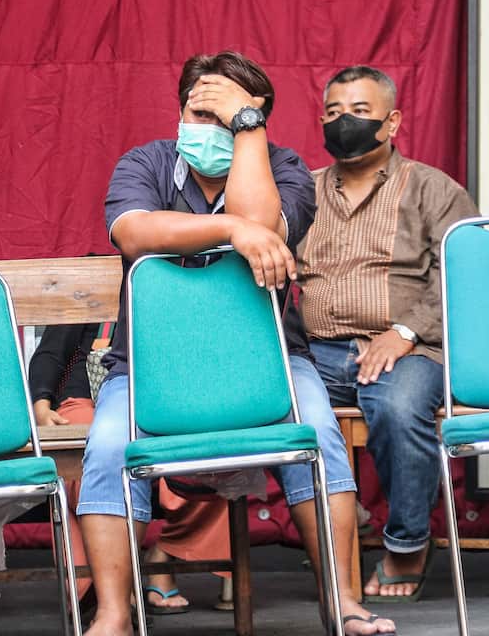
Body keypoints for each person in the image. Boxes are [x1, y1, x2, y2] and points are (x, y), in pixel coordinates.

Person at [78, 50, 396, 636]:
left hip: (269, 361)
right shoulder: (144, 163)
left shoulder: (287, 168)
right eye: (199, 113)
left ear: (258, 123)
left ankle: (344, 603)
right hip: (152, 363)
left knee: (321, 436)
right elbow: (133, 232)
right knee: (104, 448)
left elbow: (266, 226)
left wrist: (247, 132)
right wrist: (230, 229)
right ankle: (114, 616)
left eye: (228, 119)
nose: (210, 129)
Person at [289, 65, 477, 602]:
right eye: (333, 112)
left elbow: (465, 271)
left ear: (392, 122)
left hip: (412, 349)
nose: (344, 122)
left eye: (360, 112)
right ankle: (344, 531)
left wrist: (405, 332)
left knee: (396, 407)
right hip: (319, 353)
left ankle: (407, 543)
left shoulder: (431, 188)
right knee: (270, 407)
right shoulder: (302, 192)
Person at [29, 323, 233, 614]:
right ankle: (115, 588)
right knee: (100, 460)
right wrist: (41, 405)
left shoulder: (162, 278)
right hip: (83, 399)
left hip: (155, 396)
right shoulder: (84, 280)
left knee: (215, 463)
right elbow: (50, 352)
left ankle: (162, 556)